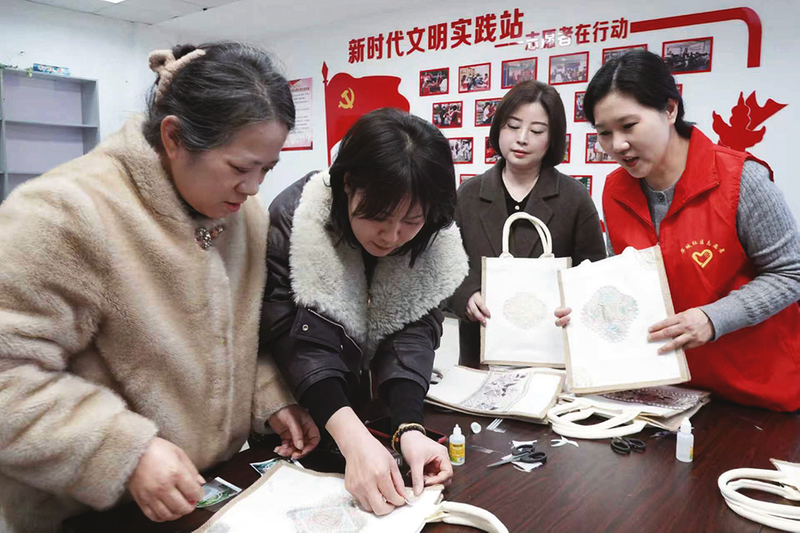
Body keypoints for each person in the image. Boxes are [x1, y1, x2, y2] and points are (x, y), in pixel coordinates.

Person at [0, 42, 320, 533]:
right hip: (80, 515)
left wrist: (271, 398)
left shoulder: (245, 219)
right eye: (240, 168)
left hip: (196, 495)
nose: (254, 187)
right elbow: (9, 377)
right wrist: (124, 451)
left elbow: (238, 342)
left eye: (267, 169)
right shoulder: (66, 212)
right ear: (173, 137)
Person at [557, 49, 800, 411]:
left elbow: (790, 273)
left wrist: (713, 318)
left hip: (756, 391)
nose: (617, 145)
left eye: (629, 126)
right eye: (604, 133)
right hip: (670, 390)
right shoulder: (616, 190)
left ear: (670, 110)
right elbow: (626, 278)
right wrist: (588, 307)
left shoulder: (741, 180)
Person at [260, 108, 468, 516]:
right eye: (377, 216)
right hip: (298, 409)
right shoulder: (298, 218)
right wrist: (352, 438)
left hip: (366, 410)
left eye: (411, 220)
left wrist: (409, 427)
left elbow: (411, 326)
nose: (392, 236)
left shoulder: (434, 234)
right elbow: (292, 335)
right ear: (348, 184)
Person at [449, 80, 606, 367]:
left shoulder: (574, 198)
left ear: (552, 138)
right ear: (498, 128)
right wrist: (466, 296)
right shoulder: (468, 195)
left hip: (553, 355)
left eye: (537, 131)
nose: (522, 138)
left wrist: (575, 306)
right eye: (512, 126)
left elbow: (594, 276)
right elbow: (446, 267)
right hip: (481, 353)